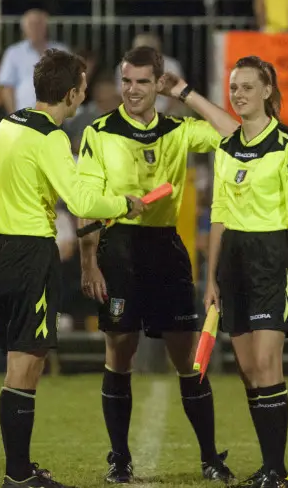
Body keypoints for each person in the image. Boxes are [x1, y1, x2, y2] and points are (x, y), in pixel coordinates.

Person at [76, 46, 241, 484]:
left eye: (143, 82)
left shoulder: (179, 129)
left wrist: (185, 93)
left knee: (187, 360)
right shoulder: (98, 131)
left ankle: (209, 457)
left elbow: (234, 133)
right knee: (119, 351)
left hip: (166, 248)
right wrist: (88, 263)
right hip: (119, 248)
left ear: (158, 85)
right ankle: (119, 458)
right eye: (127, 81)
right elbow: (86, 203)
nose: (132, 90)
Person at [0, 48, 145, 488]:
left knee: (18, 361)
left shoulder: (7, 124)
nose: (85, 94)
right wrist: (124, 204)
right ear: (72, 93)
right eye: (83, 87)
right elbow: (81, 201)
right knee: (26, 364)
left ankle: (19, 467)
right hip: (30, 252)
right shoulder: (50, 137)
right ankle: (18, 475)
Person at [203, 56, 288, 488]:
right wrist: (211, 278)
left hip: (271, 260)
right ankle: (269, 466)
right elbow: (218, 215)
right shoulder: (226, 148)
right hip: (233, 261)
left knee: (268, 363)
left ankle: (276, 470)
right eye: (234, 88)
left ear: (267, 91)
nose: (239, 95)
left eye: (247, 87)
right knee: (249, 371)